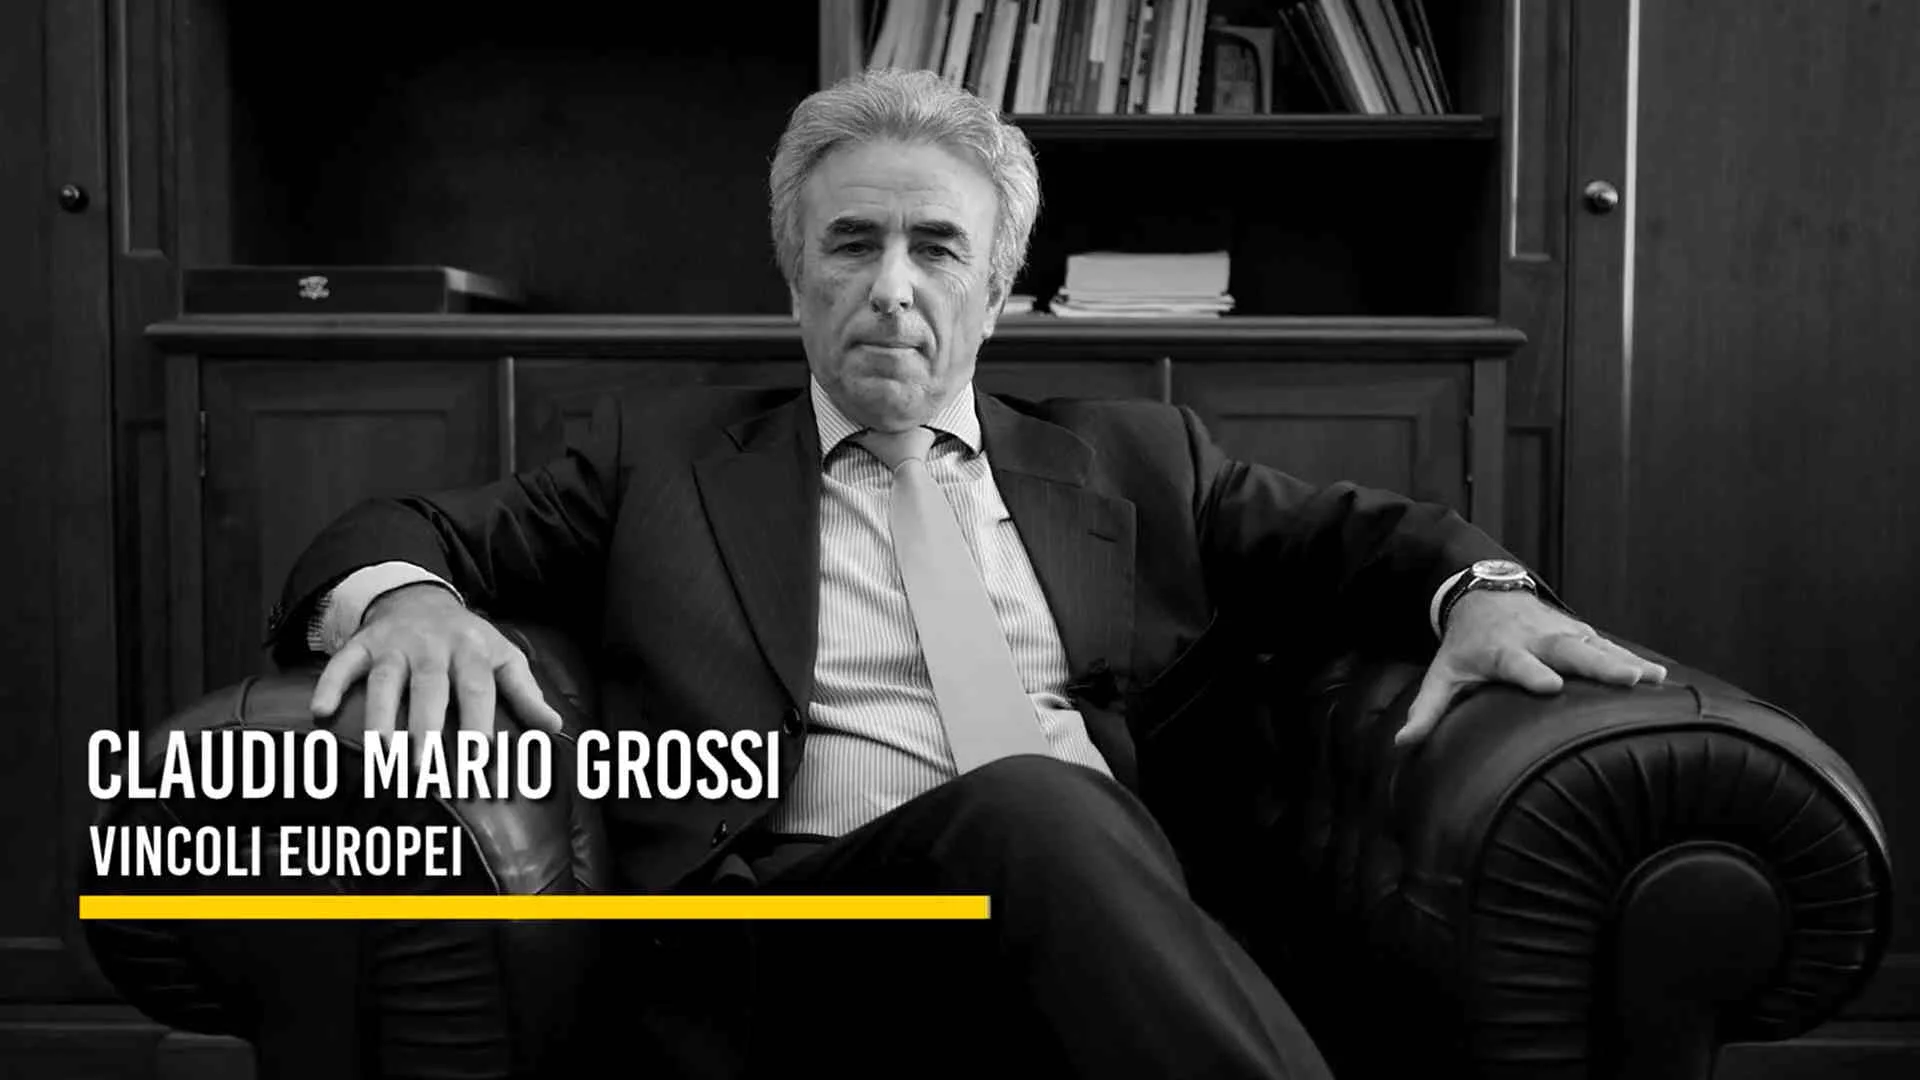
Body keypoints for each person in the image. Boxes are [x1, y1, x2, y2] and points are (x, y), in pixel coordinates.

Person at [269, 68, 1667, 1079]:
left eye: (935, 247)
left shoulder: (1132, 458)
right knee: (1038, 806)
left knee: (1054, 825)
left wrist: (1486, 593)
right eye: (852, 245)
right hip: (794, 945)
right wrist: (410, 599)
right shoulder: (664, 459)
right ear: (796, 281)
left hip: (1088, 914)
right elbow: (398, 522)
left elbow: (1363, 536)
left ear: (996, 290)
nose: (892, 285)